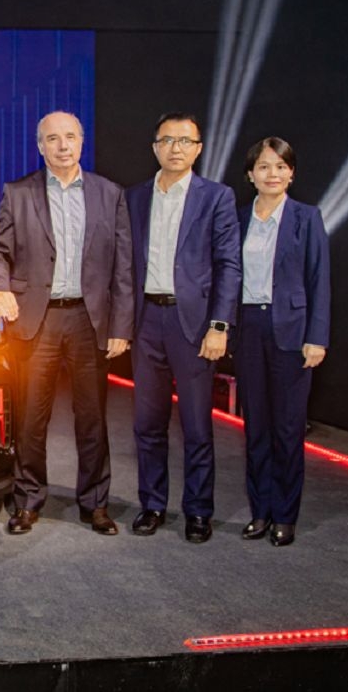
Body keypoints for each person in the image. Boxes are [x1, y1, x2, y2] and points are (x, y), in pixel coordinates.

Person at [0, 111, 134, 536]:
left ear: (81, 142)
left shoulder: (109, 193)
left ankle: (95, 504)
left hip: (90, 320)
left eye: (70, 137)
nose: (63, 145)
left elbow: (123, 267)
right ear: (40, 146)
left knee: (93, 419)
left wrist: (121, 326)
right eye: (53, 138)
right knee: (31, 419)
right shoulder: (18, 193)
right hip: (38, 319)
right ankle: (28, 501)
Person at [126, 112, 241, 543]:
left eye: (185, 141)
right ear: (155, 146)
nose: (176, 148)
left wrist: (219, 325)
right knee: (147, 423)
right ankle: (152, 504)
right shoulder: (134, 197)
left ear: (198, 149)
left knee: (196, 426)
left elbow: (229, 265)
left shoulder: (217, 197)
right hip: (146, 321)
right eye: (168, 140)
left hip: (192, 323)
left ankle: (198, 510)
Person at [234, 137, 330, 547]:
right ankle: (260, 511)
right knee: (256, 427)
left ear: (291, 173)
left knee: (288, 429)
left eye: (280, 166)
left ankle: (285, 516)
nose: (272, 174)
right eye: (263, 166)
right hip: (249, 328)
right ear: (250, 175)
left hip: (292, 331)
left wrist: (317, 337)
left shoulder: (307, 218)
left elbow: (319, 280)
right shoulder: (238, 218)